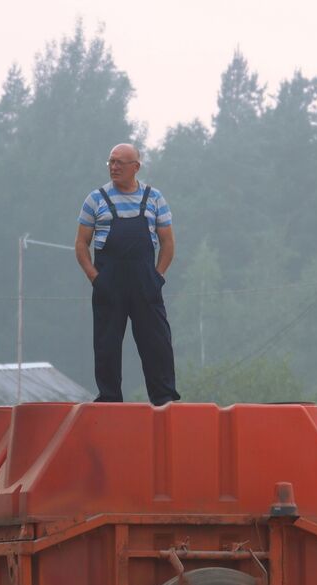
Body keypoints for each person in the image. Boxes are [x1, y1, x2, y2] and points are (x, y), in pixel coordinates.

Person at [75, 143, 180, 405]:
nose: (114, 167)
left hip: (146, 281)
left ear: (136, 167)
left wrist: (159, 277)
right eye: (111, 162)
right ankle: (109, 399)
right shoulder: (95, 200)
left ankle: (164, 399)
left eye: (120, 162)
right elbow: (80, 244)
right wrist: (94, 277)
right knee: (107, 344)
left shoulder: (154, 198)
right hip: (109, 282)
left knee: (156, 342)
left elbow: (168, 243)